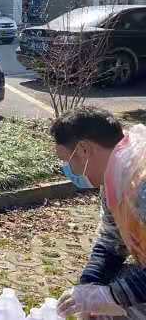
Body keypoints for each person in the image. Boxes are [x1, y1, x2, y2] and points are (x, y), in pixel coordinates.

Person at [50, 106, 146, 319]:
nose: (68, 170)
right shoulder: (116, 178)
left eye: (67, 161)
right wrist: (89, 288)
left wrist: (112, 296)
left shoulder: (140, 183)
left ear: (84, 150)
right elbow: (111, 243)